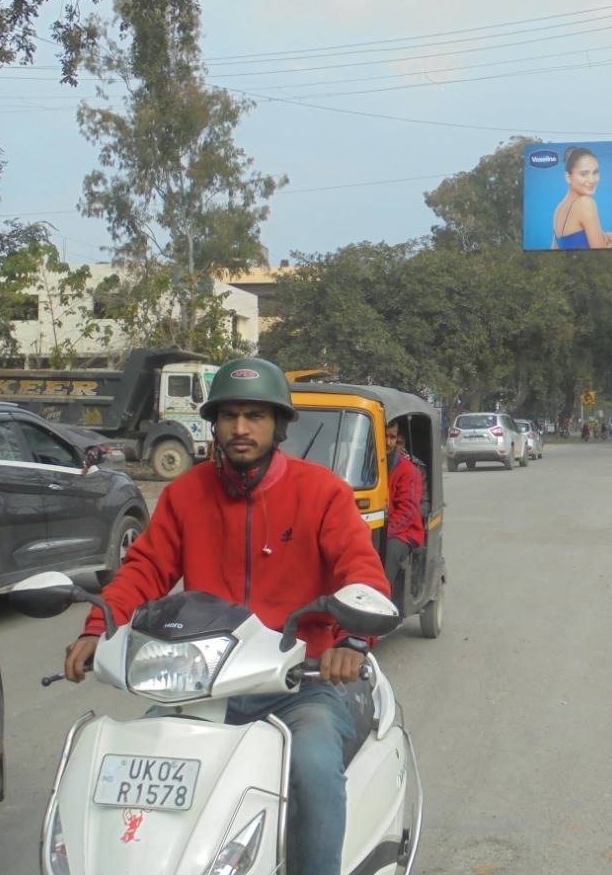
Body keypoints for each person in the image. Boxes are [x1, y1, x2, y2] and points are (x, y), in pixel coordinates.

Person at [63, 357, 390, 875]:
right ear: (213, 424)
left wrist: (351, 640)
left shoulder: (322, 492)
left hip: (296, 684)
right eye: (230, 415)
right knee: (133, 770)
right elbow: (145, 569)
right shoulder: (186, 494)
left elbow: (360, 570)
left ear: (278, 426)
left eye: (255, 416)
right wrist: (99, 629)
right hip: (202, 684)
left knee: (312, 767)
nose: (241, 428)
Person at [384, 420, 426, 614]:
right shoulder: (362, 464)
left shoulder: (409, 471)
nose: (389, 442)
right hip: (373, 526)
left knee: (389, 551)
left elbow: (407, 513)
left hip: (403, 532)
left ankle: (382, 604)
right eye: (385, 436)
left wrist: (383, 534)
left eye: (393, 438)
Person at [551, 147, 612, 250]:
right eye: (584, 174)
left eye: (595, 172)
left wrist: (602, 239)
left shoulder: (559, 209)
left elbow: (554, 251)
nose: (592, 180)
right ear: (568, 177)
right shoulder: (586, 203)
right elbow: (600, 254)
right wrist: (609, 245)